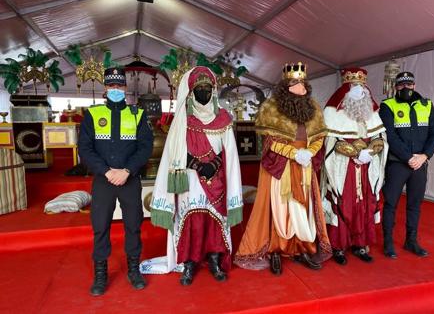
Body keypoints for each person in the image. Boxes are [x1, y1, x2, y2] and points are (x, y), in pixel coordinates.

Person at [140, 66, 243, 286]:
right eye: (199, 88)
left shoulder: (223, 118)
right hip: (189, 178)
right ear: (191, 91)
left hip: (216, 179)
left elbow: (229, 151)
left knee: (215, 221)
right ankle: (188, 263)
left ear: (213, 91)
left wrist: (214, 164)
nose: (204, 92)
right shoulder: (181, 121)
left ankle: (214, 260)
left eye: (208, 88)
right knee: (192, 221)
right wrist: (196, 164)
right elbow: (172, 153)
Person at [234, 62, 331, 275]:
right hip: (282, 166)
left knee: (304, 209)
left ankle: (302, 249)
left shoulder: (313, 107)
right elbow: (270, 142)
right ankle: (276, 250)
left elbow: (319, 137)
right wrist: (293, 153)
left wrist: (310, 152)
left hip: (305, 166)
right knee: (280, 208)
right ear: (285, 85)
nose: (299, 86)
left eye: (302, 82)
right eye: (294, 82)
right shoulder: (272, 108)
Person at [78, 67, 153, 296]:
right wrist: (107, 172)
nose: (116, 89)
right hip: (104, 180)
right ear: (105, 88)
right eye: (111, 86)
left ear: (125, 88)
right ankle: (101, 274)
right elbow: (85, 148)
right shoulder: (92, 114)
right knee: (100, 227)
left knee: (133, 225)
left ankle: (133, 269)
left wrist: (128, 170)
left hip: (130, 180)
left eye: (119, 86)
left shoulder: (137, 114)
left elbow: (145, 147)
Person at [321, 68, 387, 265]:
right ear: (346, 91)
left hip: (367, 166)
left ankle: (360, 244)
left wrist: (371, 152)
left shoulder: (372, 112)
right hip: (344, 167)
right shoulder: (333, 112)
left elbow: (380, 137)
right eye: (354, 87)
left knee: (364, 204)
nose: (359, 91)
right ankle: (338, 246)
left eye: (362, 87)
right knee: (343, 202)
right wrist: (356, 153)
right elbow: (331, 142)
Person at [380, 71, 434, 259]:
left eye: (409, 84)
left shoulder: (427, 105)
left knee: (415, 204)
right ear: (396, 87)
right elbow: (390, 135)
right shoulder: (387, 106)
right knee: (391, 203)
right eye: (401, 85)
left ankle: (411, 241)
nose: (405, 88)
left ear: (414, 85)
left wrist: (425, 156)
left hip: (420, 163)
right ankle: (388, 242)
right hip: (398, 163)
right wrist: (409, 157)